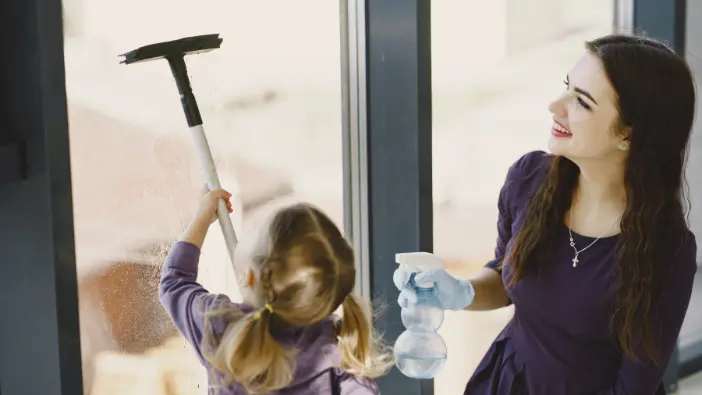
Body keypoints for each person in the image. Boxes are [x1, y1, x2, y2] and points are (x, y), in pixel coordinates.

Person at [394, 33, 698, 394]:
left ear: (628, 134)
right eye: (567, 87)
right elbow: (506, 278)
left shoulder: (666, 250)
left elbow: (632, 388)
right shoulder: (528, 179)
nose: (555, 106)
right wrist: (457, 292)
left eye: (581, 102)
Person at [160, 189, 393, 394]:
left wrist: (202, 216)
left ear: (250, 276)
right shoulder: (340, 350)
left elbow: (174, 281)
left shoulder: (220, 326)